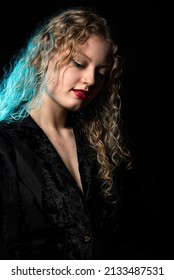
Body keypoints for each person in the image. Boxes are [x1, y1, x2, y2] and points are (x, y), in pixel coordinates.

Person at [0, 6, 154, 260]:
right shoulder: (6, 145)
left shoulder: (102, 147)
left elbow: (141, 237)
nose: (90, 80)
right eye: (79, 63)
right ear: (44, 56)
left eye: (101, 73)